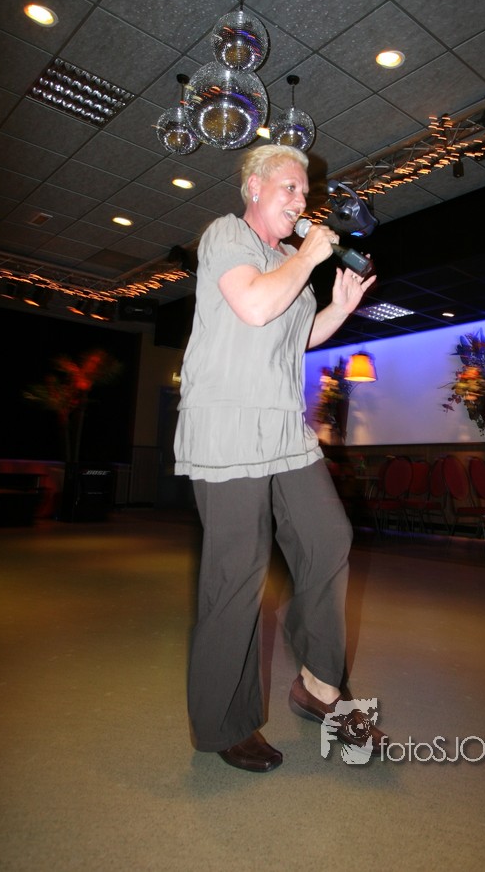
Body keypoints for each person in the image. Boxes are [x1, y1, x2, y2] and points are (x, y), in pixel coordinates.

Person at [174, 143, 378, 773]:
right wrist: (311, 255)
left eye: (304, 190)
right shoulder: (226, 236)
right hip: (228, 425)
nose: (301, 200)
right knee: (238, 574)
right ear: (254, 188)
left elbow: (297, 336)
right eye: (289, 187)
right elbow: (256, 306)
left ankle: (318, 684)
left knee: (328, 536)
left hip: (284, 429)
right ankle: (224, 722)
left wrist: (339, 308)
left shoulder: (290, 258)